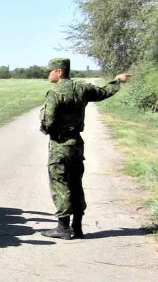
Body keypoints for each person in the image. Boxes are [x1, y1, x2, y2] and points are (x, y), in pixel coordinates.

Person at [40, 58, 131, 239]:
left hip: (60, 145)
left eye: (49, 71)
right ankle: (78, 226)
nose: (47, 74)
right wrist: (117, 80)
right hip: (77, 145)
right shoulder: (82, 88)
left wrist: (46, 128)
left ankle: (63, 228)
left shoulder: (54, 92)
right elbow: (104, 92)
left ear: (59, 72)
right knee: (76, 183)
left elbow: (49, 121)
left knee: (60, 183)